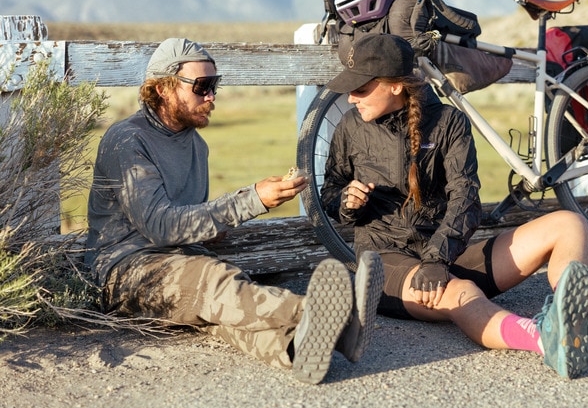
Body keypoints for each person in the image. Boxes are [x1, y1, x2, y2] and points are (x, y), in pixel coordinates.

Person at [320, 33, 588, 379]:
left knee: (569, 224)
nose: (351, 97)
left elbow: (465, 197)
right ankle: (545, 338)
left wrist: (438, 258)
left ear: (394, 86)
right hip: (384, 263)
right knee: (463, 292)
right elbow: (330, 190)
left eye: (360, 88)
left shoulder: (449, 122)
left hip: (445, 253)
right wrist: (347, 202)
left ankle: (572, 316)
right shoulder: (350, 126)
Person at [85, 37, 384, 385]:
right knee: (215, 283)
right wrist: (250, 199)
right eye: (202, 86)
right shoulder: (126, 140)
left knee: (223, 315)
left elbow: (190, 220)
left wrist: (240, 211)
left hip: (180, 260)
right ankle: (334, 318)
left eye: (215, 86)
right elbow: (160, 226)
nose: (212, 96)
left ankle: (295, 349)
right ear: (164, 88)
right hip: (124, 270)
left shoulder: (196, 146)